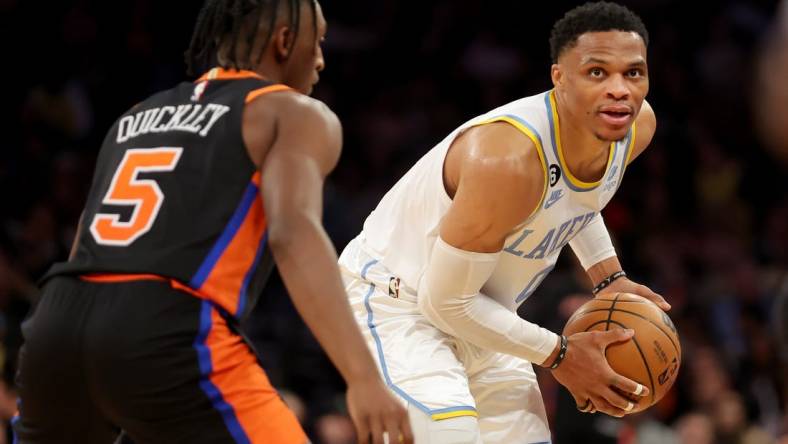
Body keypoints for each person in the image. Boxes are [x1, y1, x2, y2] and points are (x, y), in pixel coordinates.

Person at [12, 1, 412, 443]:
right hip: (168, 324)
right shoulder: (293, 113)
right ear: (283, 41)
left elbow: (84, 248)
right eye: (316, 41)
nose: (320, 59)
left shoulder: (135, 116)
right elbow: (292, 232)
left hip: (58, 322)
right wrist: (363, 378)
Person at [338, 2, 672, 442]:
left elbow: (578, 199)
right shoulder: (508, 159)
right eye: (597, 72)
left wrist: (608, 276)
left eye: (633, 73)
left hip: (482, 309)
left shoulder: (634, 128)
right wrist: (561, 355)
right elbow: (443, 304)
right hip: (398, 301)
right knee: (450, 434)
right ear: (559, 78)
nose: (620, 90)